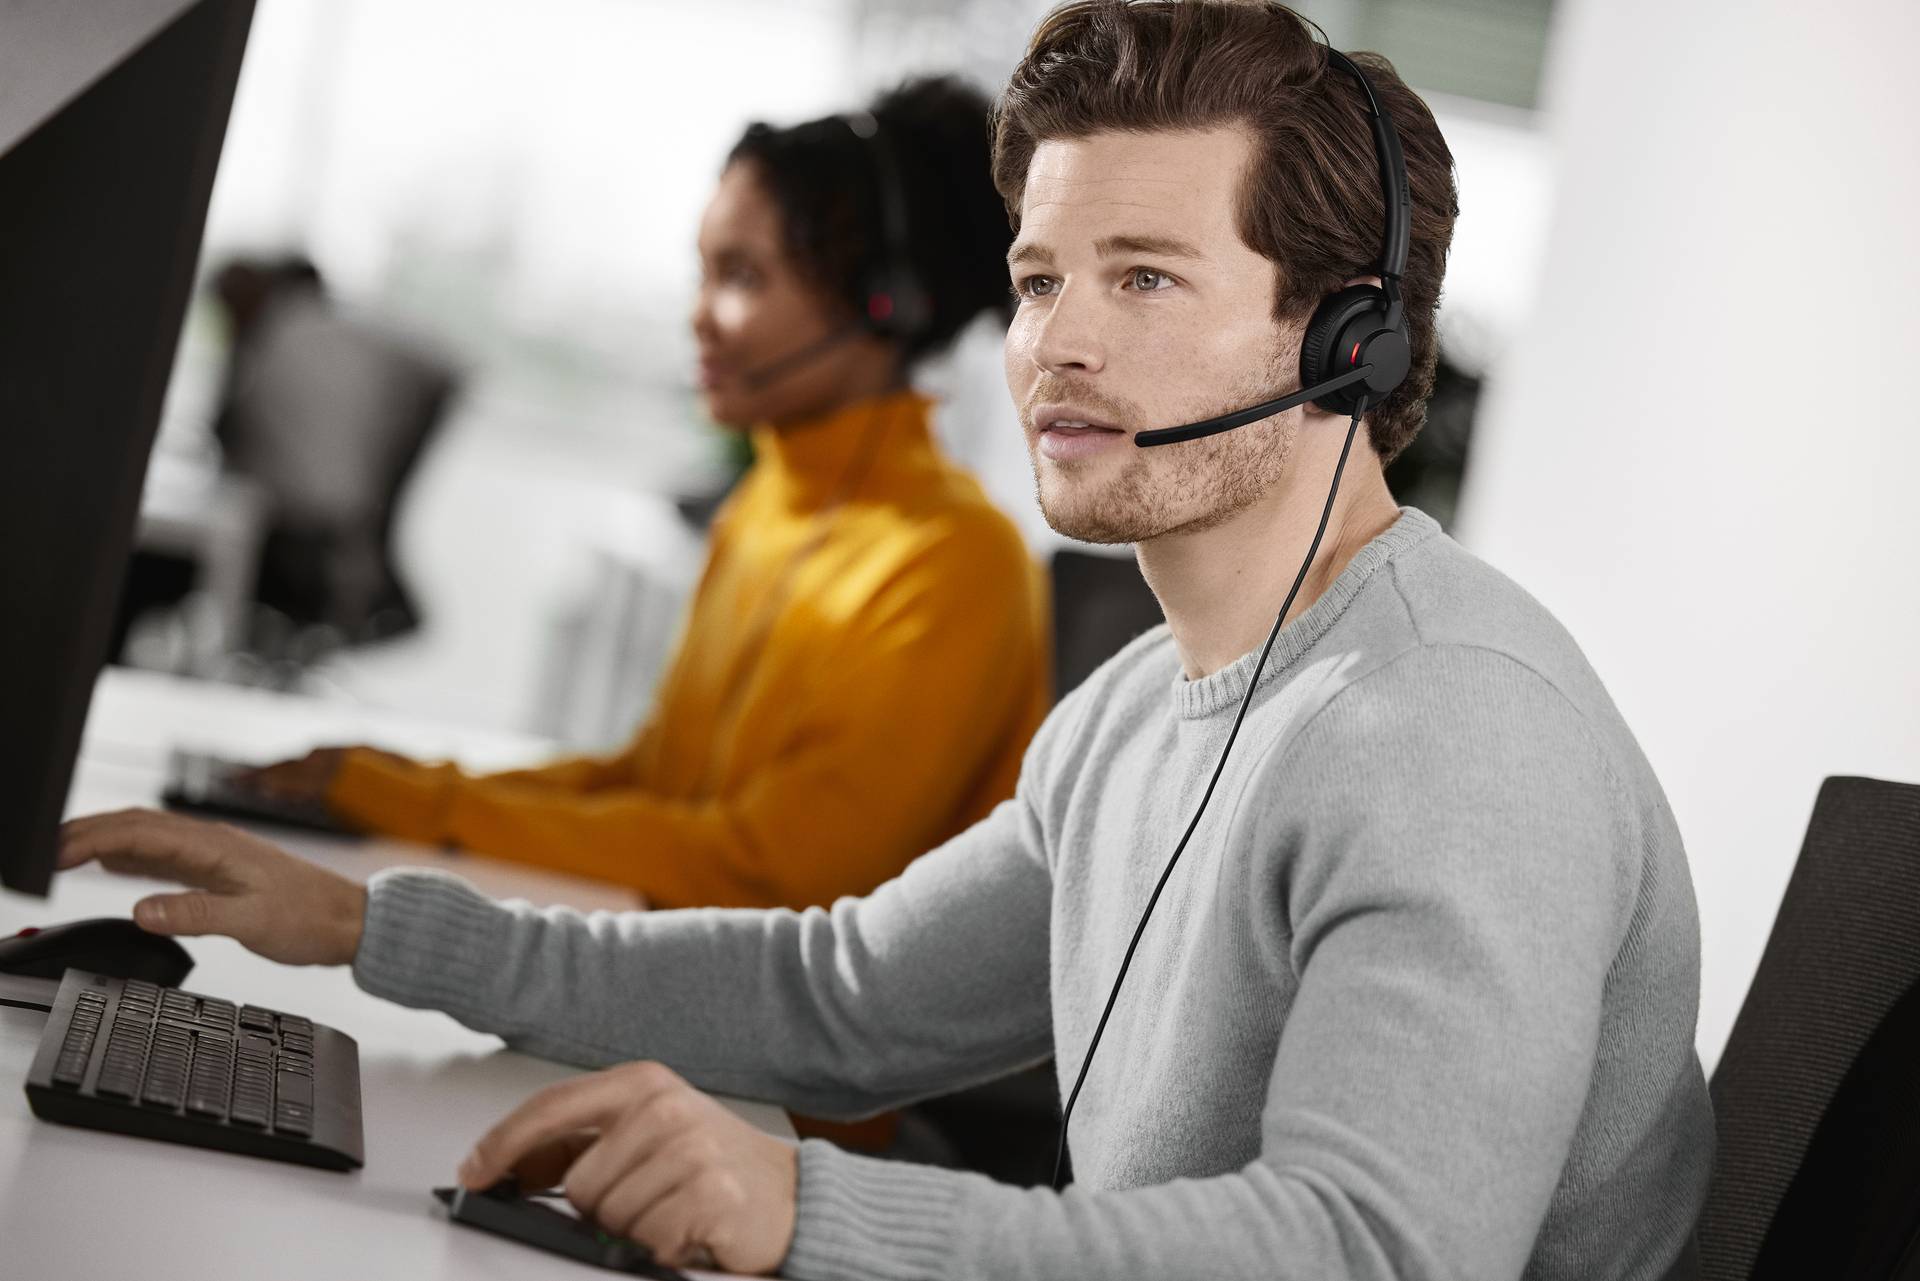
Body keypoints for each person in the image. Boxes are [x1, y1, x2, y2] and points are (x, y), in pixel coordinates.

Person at [59, 4, 1714, 1278]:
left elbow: (1377, 1253)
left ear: (1349, 336)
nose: (1057, 346)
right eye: (1041, 279)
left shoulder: (1451, 728)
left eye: (1145, 279)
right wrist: (371, 925)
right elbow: (838, 995)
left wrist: (815, 1209)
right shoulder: (1139, 710)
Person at [249, 77, 1050, 912]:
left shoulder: (956, 562)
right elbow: (656, 783)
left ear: (887, 302)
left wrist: (423, 807)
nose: (700, 315)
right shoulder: (765, 508)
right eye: (703, 271)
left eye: (742, 275)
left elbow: (772, 873)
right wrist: (403, 783)